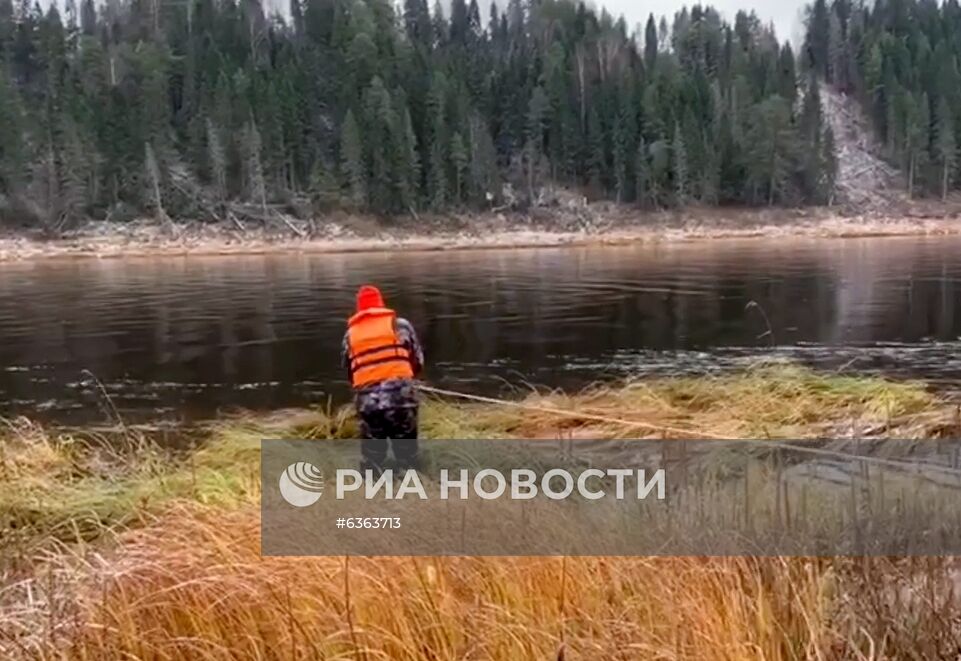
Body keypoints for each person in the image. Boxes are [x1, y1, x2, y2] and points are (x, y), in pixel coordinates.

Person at [342, 285, 424, 474]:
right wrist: (406, 377)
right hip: (401, 398)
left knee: (372, 455)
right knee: (407, 452)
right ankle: (410, 489)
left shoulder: (350, 335)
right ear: (381, 304)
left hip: (367, 402)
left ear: (360, 309)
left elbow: (350, 371)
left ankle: (373, 493)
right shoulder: (399, 325)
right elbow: (417, 360)